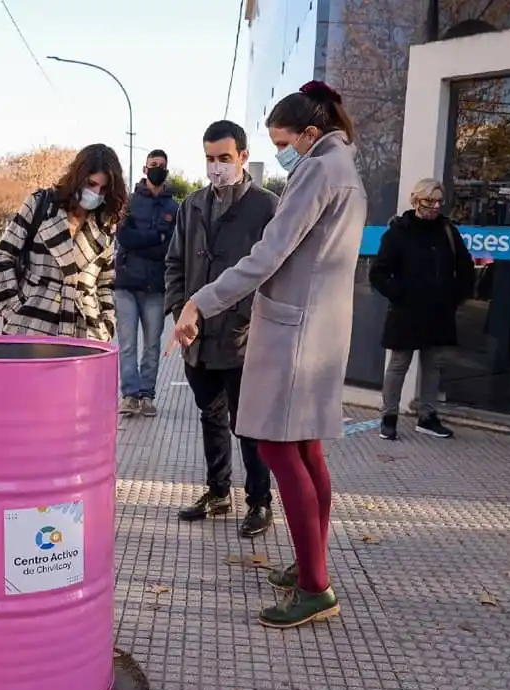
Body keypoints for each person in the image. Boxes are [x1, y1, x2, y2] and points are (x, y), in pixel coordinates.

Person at [169, 81, 365, 629]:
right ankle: (311, 565)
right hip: (318, 327)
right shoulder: (341, 166)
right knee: (306, 454)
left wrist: (199, 303)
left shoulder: (318, 171)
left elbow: (267, 256)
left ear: (308, 133)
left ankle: (314, 586)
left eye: (285, 142)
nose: (285, 153)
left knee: (280, 453)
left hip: (294, 332)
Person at [164, 120, 278, 539]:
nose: (216, 168)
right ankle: (217, 491)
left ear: (243, 157)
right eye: (210, 159)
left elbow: (275, 272)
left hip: (244, 336)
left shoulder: (267, 206)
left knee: (247, 423)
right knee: (209, 414)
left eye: (224, 159)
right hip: (197, 337)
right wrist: (180, 310)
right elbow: (175, 263)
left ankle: (259, 501)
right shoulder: (192, 204)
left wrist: (248, 316)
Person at [368, 178, 475, 441]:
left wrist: (455, 296)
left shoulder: (448, 231)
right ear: (416, 201)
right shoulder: (398, 232)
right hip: (407, 311)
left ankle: (428, 416)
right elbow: (379, 273)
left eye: (440, 201)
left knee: (433, 364)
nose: (435, 206)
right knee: (399, 364)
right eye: (430, 201)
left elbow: (465, 267)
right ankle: (389, 416)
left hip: (439, 311)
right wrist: (401, 294)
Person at [0, 144, 127, 341]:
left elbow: (105, 282)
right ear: (77, 178)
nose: (96, 193)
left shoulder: (105, 224)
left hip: (85, 332)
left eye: (103, 188)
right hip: (32, 323)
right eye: (91, 184)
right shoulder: (40, 205)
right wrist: (13, 308)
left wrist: (106, 325)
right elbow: (3, 255)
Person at [116, 150, 179, 417]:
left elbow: (172, 249)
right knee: (128, 344)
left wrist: (146, 242)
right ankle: (129, 395)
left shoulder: (175, 208)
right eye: (153, 165)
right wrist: (157, 238)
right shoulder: (129, 203)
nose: (157, 169)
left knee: (152, 345)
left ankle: (147, 395)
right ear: (145, 168)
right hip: (126, 285)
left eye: (162, 166)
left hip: (156, 287)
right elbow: (124, 239)